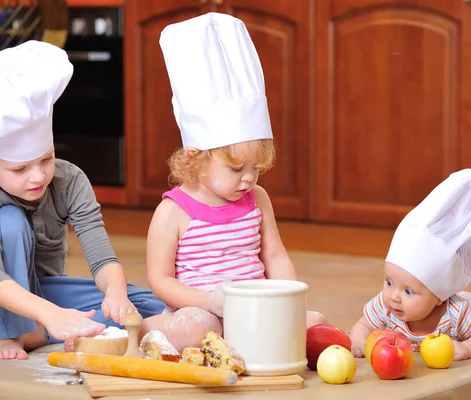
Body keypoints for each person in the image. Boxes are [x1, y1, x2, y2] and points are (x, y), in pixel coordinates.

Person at [0, 40, 165, 360]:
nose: (38, 177)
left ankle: (47, 329)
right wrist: (51, 314)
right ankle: (12, 333)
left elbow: (102, 259)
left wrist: (116, 293)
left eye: (46, 159)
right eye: (20, 168)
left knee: (141, 304)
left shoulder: (69, 179)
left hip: (44, 289)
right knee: (11, 220)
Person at [135, 12, 327, 352]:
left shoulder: (258, 198)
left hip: (255, 310)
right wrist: (210, 300)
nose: (249, 178)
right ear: (195, 159)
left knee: (316, 323)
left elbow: (276, 256)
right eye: (236, 169)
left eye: (256, 167)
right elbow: (160, 280)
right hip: (202, 309)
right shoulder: (173, 212)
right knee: (197, 328)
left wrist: (288, 295)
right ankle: (158, 328)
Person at [349, 169, 471, 361]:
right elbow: (363, 325)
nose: (394, 297)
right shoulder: (385, 305)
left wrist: (468, 348)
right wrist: (358, 341)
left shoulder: (458, 313)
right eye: (389, 282)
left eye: (408, 292)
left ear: (439, 297)